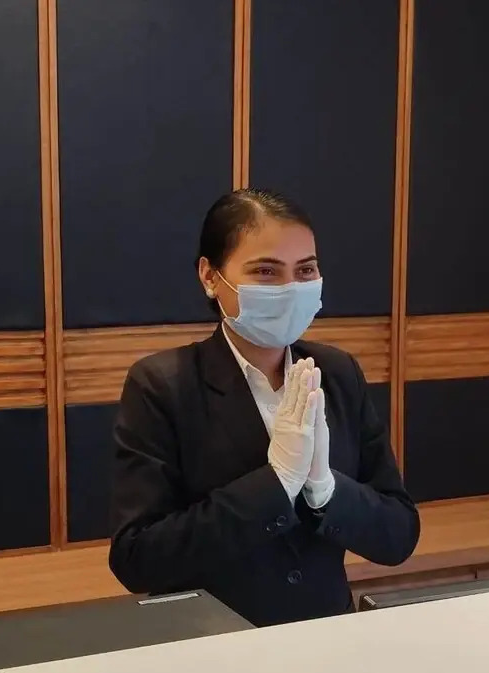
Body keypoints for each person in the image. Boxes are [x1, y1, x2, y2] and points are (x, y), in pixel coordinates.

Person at [108, 188, 420, 627]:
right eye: (266, 272)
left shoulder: (336, 373)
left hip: (326, 634)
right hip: (214, 639)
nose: (290, 289)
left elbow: (399, 534)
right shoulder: (163, 385)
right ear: (210, 276)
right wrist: (276, 484)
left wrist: (326, 489)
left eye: (305, 270)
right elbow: (137, 559)